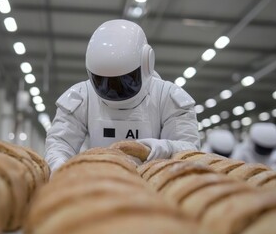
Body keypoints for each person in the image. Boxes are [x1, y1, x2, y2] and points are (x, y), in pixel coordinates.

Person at [45, 19, 200, 171]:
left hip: (152, 189)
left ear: (147, 63)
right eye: (102, 81)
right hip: (97, 184)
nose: (112, 90)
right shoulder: (81, 97)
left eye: (124, 81)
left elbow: (189, 152)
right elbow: (59, 143)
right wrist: (59, 169)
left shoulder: (167, 97)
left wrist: (150, 150)